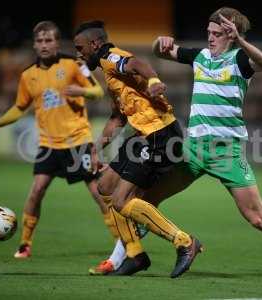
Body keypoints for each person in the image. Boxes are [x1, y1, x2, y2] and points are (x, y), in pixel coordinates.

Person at [99, 7, 262, 280]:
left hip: (225, 153)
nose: (210, 38)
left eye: (217, 34)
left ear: (231, 35)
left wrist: (241, 42)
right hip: (192, 150)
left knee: (258, 219)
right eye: (209, 32)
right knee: (145, 200)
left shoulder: (240, 60)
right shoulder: (200, 57)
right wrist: (160, 42)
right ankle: (117, 259)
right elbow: (160, 52)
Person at [73, 20, 202, 278]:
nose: (79, 53)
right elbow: (117, 118)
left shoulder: (111, 57)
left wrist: (153, 79)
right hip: (142, 136)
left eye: (80, 47)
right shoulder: (110, 76)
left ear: (95, 44)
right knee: (105, 187)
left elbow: (137, 64)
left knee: (123, 201)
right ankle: (135, 255)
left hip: (160, 135)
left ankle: (185, 242)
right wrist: (97, 148)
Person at [0, 21, 110, 259]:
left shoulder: (74, 64)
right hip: (48, 144)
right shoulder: (28, 76)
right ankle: (24, 244)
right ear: (34, 44)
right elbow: (19, 107)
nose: (44, 45)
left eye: (49, 40)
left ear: (56, 42)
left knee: (98, 192)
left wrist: (80, 91)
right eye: (40, 41)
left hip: (77, 140)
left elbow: (97, 92)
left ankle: (122, 242)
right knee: (36, 191)